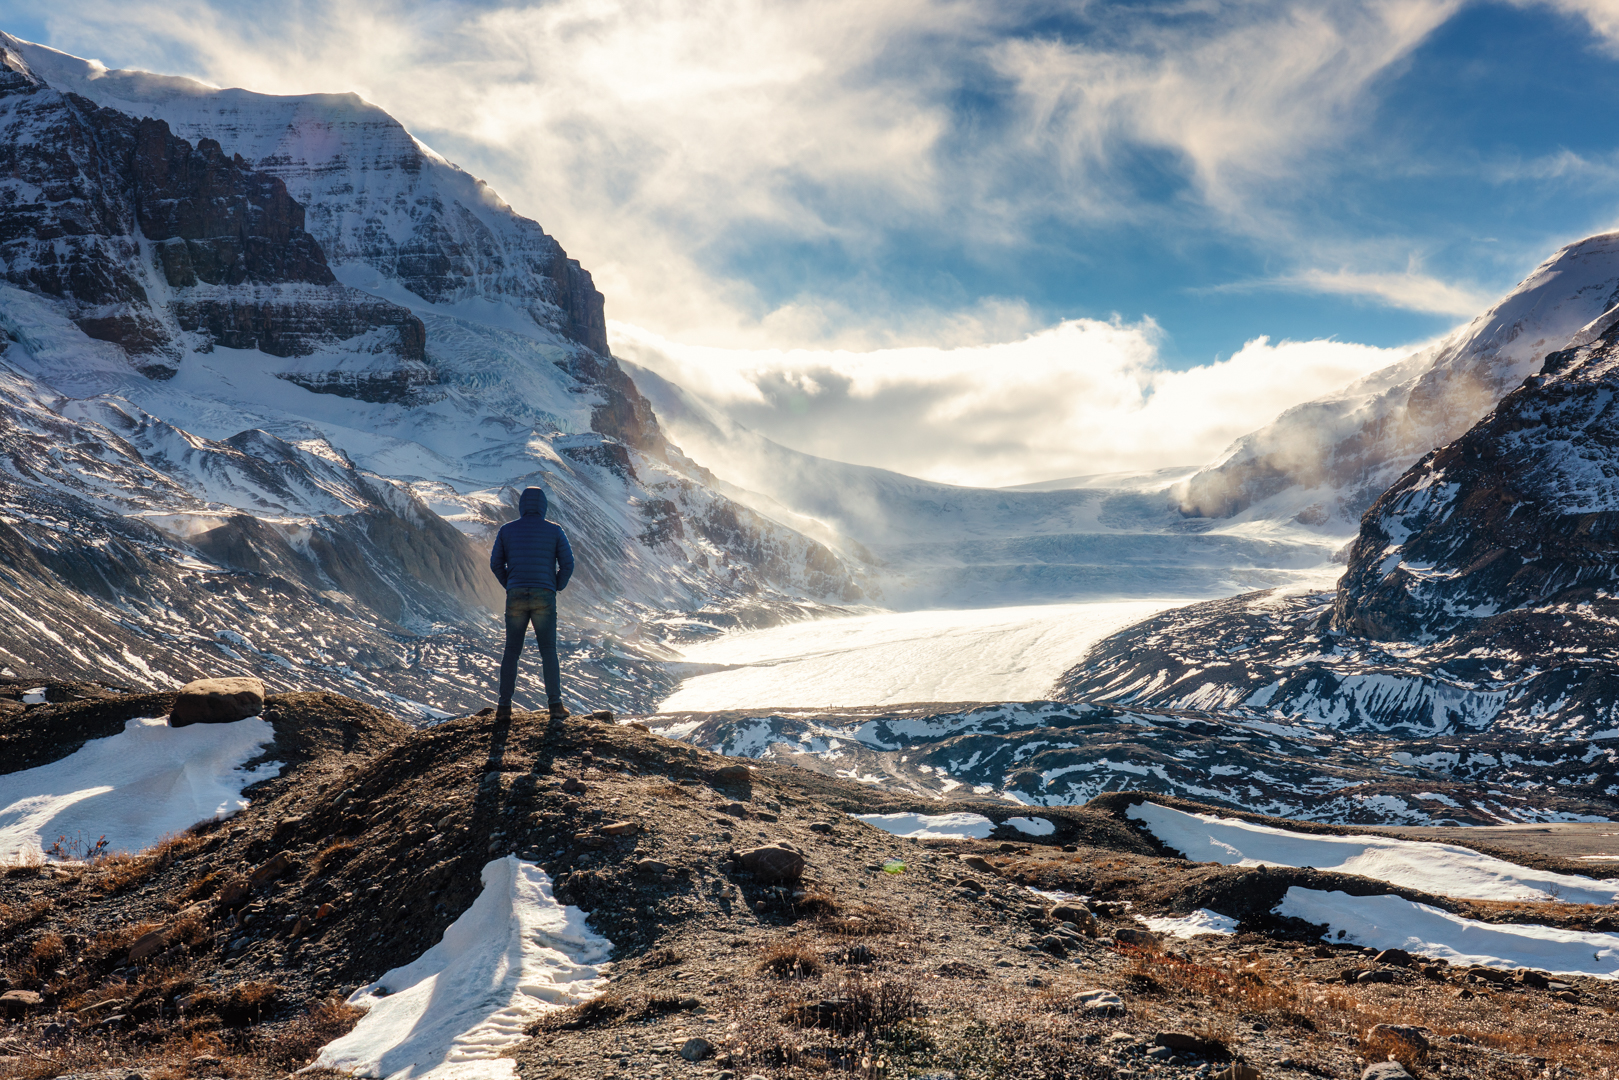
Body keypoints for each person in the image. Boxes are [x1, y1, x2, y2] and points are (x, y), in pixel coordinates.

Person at [489, 486, 575, 720]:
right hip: (544, 595)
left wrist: (511, 584)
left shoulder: (507, 530)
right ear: (543, 506)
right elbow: (568, 564)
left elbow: (496, 563)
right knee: (548, 651)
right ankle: (555, 706)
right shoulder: (555, 531)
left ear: (522, 505)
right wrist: (555, 585)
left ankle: (504, 708)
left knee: (512, 651)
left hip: (515, 594)